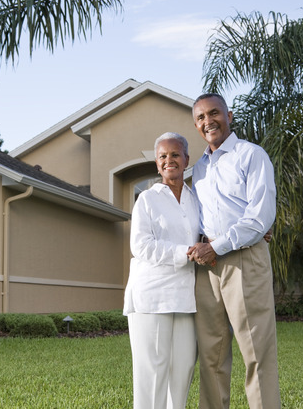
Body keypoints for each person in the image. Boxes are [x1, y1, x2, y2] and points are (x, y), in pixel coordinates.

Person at [186, 93, 281, 409]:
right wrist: (206, 245)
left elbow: (259, 217)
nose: (207, 121)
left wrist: (217, 244)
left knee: (256, 353)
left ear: (228, 115)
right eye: (200, 117)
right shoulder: (199, 168)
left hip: (243, 260)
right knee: (211, 354)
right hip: (207, 266)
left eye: (213, 113)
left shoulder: (251, 155)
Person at [123, 132, 200, 409]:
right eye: (163, 156)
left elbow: (212, 232)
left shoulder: (195, 200)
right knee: (152, 373)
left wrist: (258, 232)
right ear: (157, 165)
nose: (170, 160)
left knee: (183, 369)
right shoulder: (147, 199)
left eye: (175, 154)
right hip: (152, 297)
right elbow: (141, 246)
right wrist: (185, 252)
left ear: (186, 160)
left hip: (187, 298)